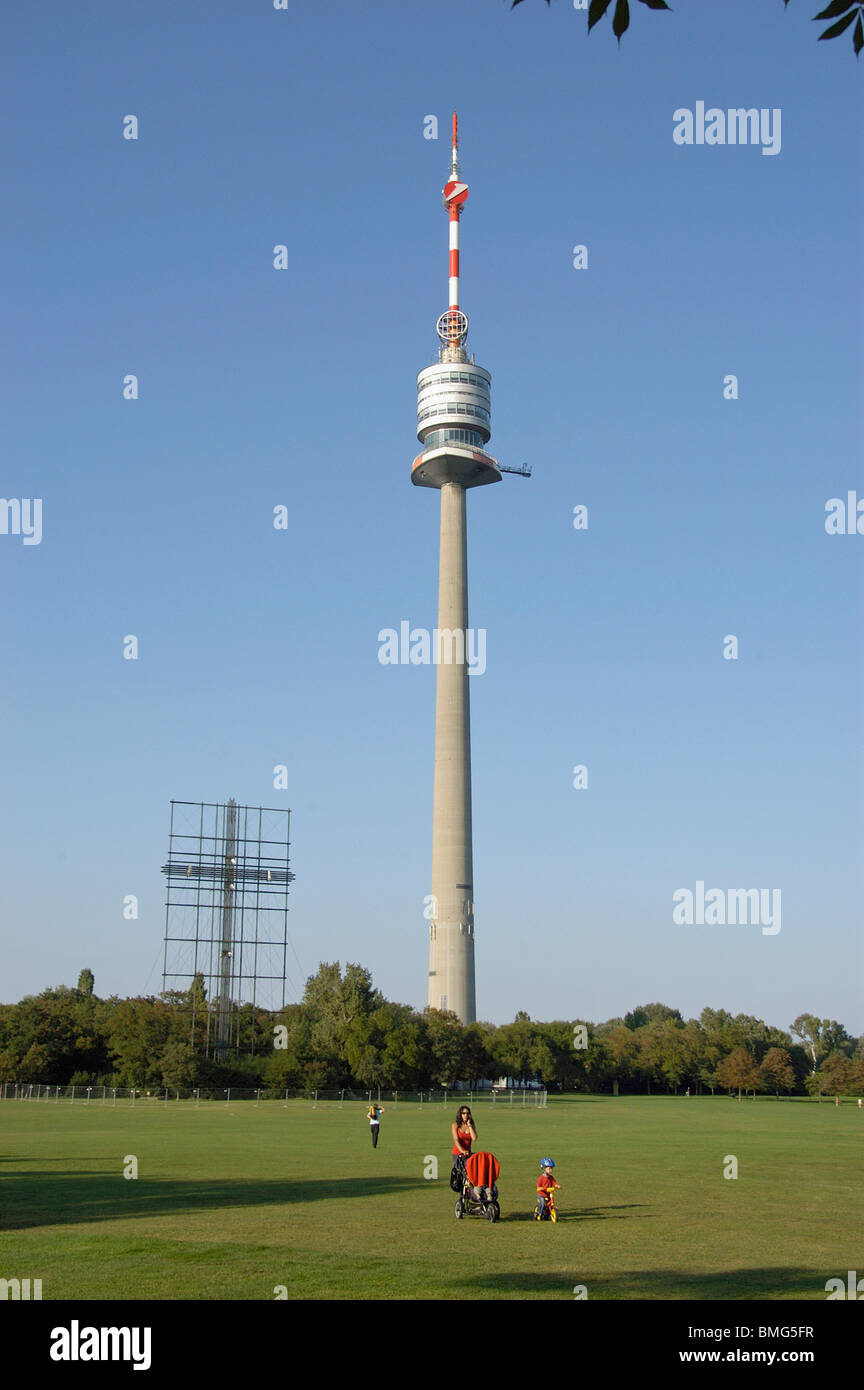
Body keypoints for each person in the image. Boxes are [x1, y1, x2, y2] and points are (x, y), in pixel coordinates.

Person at [450, 1105, 477, 1189]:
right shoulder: (455, 1125)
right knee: (461, 1176)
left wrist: (470, 1126)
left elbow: (474, 1138)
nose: (465, 1115)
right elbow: (456, 1140)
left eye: (467, 1113)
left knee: (470, 1175)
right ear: (460, 1114)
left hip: (468, 1154)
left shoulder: (471, 1125)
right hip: (457, 1154)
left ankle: (469, 1193)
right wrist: (462, 1150)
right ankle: (461, 1197)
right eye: (463, 1113)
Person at [535, 1157, 561, 1221]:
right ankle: (538, 1213)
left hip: (548, 1193)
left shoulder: (551, 1177)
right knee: (543, 1203)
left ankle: (548, 1214)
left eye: (551, 1168)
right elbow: (538, 1186)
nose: (551, 1170)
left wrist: (556, 1185)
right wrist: (540, 1188)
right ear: (544, 1169)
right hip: (541, 1194)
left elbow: (554, 1182)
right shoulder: (541, 1178)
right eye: (549, 1168)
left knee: (550, 1202)